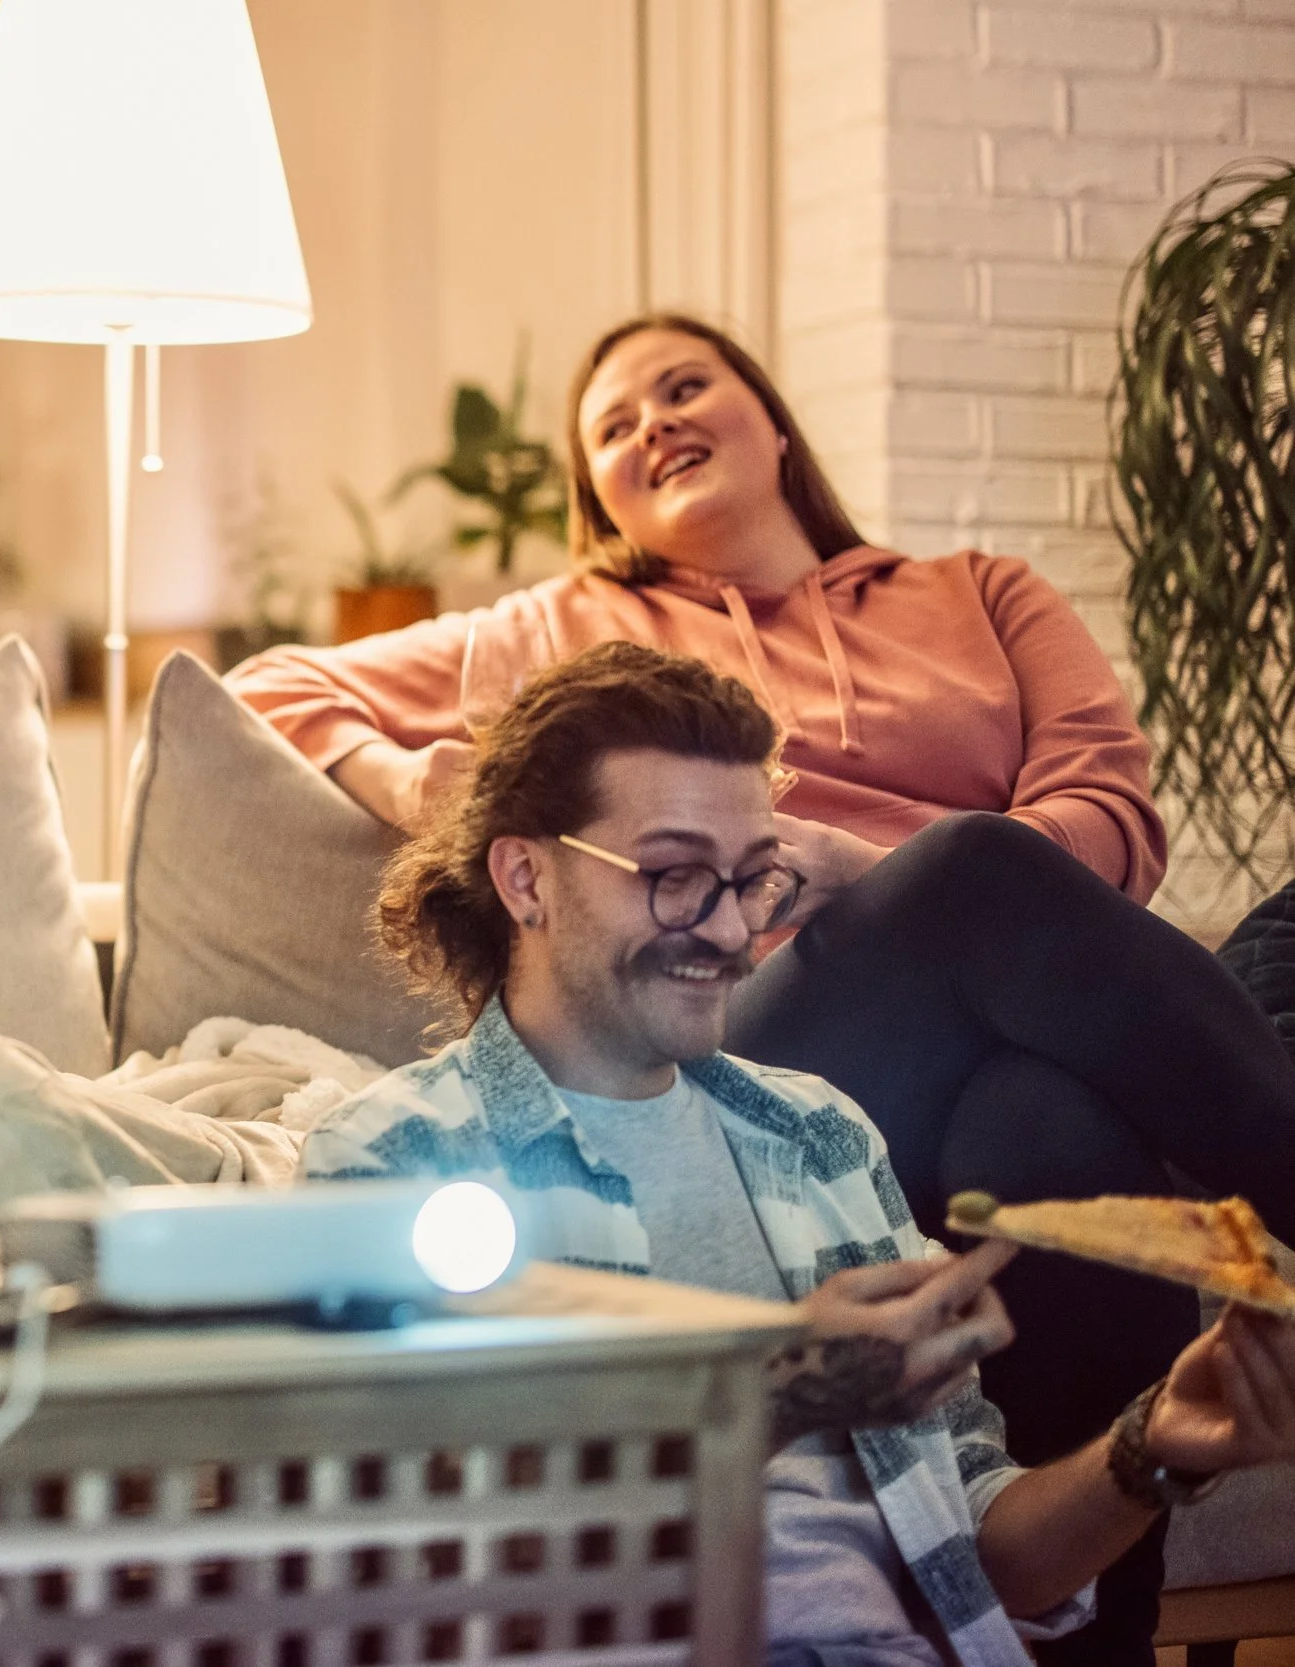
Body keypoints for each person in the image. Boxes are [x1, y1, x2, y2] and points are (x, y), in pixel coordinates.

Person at [231, 313, 1295, 1661]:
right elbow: (272, 681)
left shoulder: (976, 591)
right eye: (612, 426)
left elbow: (1110, 819)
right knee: (974, 862)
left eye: (686, 386)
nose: (654, 423)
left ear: (773, 419)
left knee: (1048, 1123)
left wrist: (1155, 1446)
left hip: (999, 1022)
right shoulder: (560, 626)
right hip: (797, 1012)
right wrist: (417, 778)